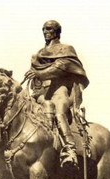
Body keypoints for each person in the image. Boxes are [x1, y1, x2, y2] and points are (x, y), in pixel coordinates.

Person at [24, 20, 90, 167]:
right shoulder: (38, 55)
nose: (45, 32)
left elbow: (59, 68)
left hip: (60, 90)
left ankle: (70, 149)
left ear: (57, 32)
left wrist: (38, 73)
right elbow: (36, 78)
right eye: (43, 29)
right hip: (42, 92)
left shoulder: (65, 50)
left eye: (48, 29)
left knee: (59, 112)